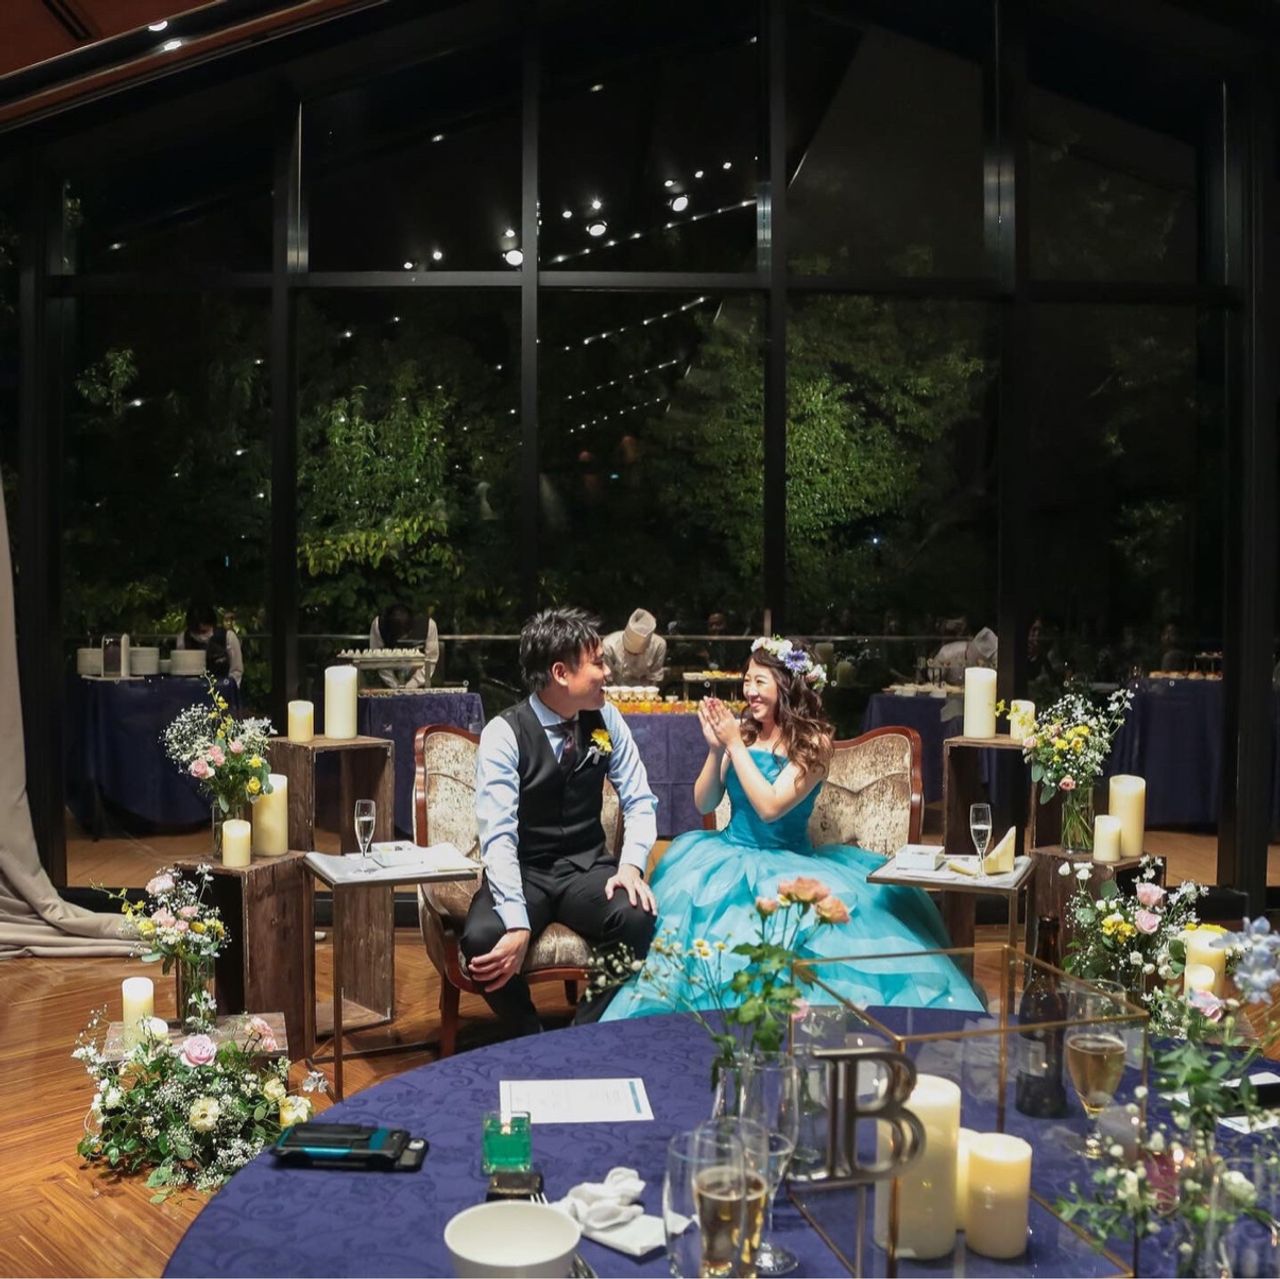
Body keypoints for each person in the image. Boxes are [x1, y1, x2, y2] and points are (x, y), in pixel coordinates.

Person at [601, 637, 982, 1021]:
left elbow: (770, 807)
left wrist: (734, 747)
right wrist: (716, 749)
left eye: (759, 682)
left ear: (787, 685)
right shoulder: (745, 733)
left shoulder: (814, 743)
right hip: (723, 857)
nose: (749, 691)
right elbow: (704, 803)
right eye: (746, 681)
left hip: (789, 862)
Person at [462, 607, 660, 1036]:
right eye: (598, 663)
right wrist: (516, 921)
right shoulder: (504, 733)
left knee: (637, 917)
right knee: (481, 940)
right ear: (560, 673)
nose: (607, 673)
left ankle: (581, 1032)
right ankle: (530, 1035)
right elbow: (498, 837)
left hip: (585, 868)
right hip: (525, 870)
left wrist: (631, 866)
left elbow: (640, 799)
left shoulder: (606, 720)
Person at [368, 602, 440, 689]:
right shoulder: (378, 625)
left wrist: (414, 683)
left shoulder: (428, 625)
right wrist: (393, 684)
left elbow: (431, 658)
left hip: (420, 680)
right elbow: (377, 658)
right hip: (389, 681)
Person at [175, 604, 243, 686]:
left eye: (204, 632)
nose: (201, 636)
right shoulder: (183, 639)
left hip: (221, 687)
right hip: (193, 687)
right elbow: (180, 671)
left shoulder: (228, 637)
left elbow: (236, 671)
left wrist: (228, 688)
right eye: (196, 632)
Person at [602, 607, 667, 685]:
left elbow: (655, 677)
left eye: (637, 654)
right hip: (616, 688)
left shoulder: (659, 645)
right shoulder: (609, 645)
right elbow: (606, 678)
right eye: (629, 652)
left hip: (644, 690)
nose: (633, 657)